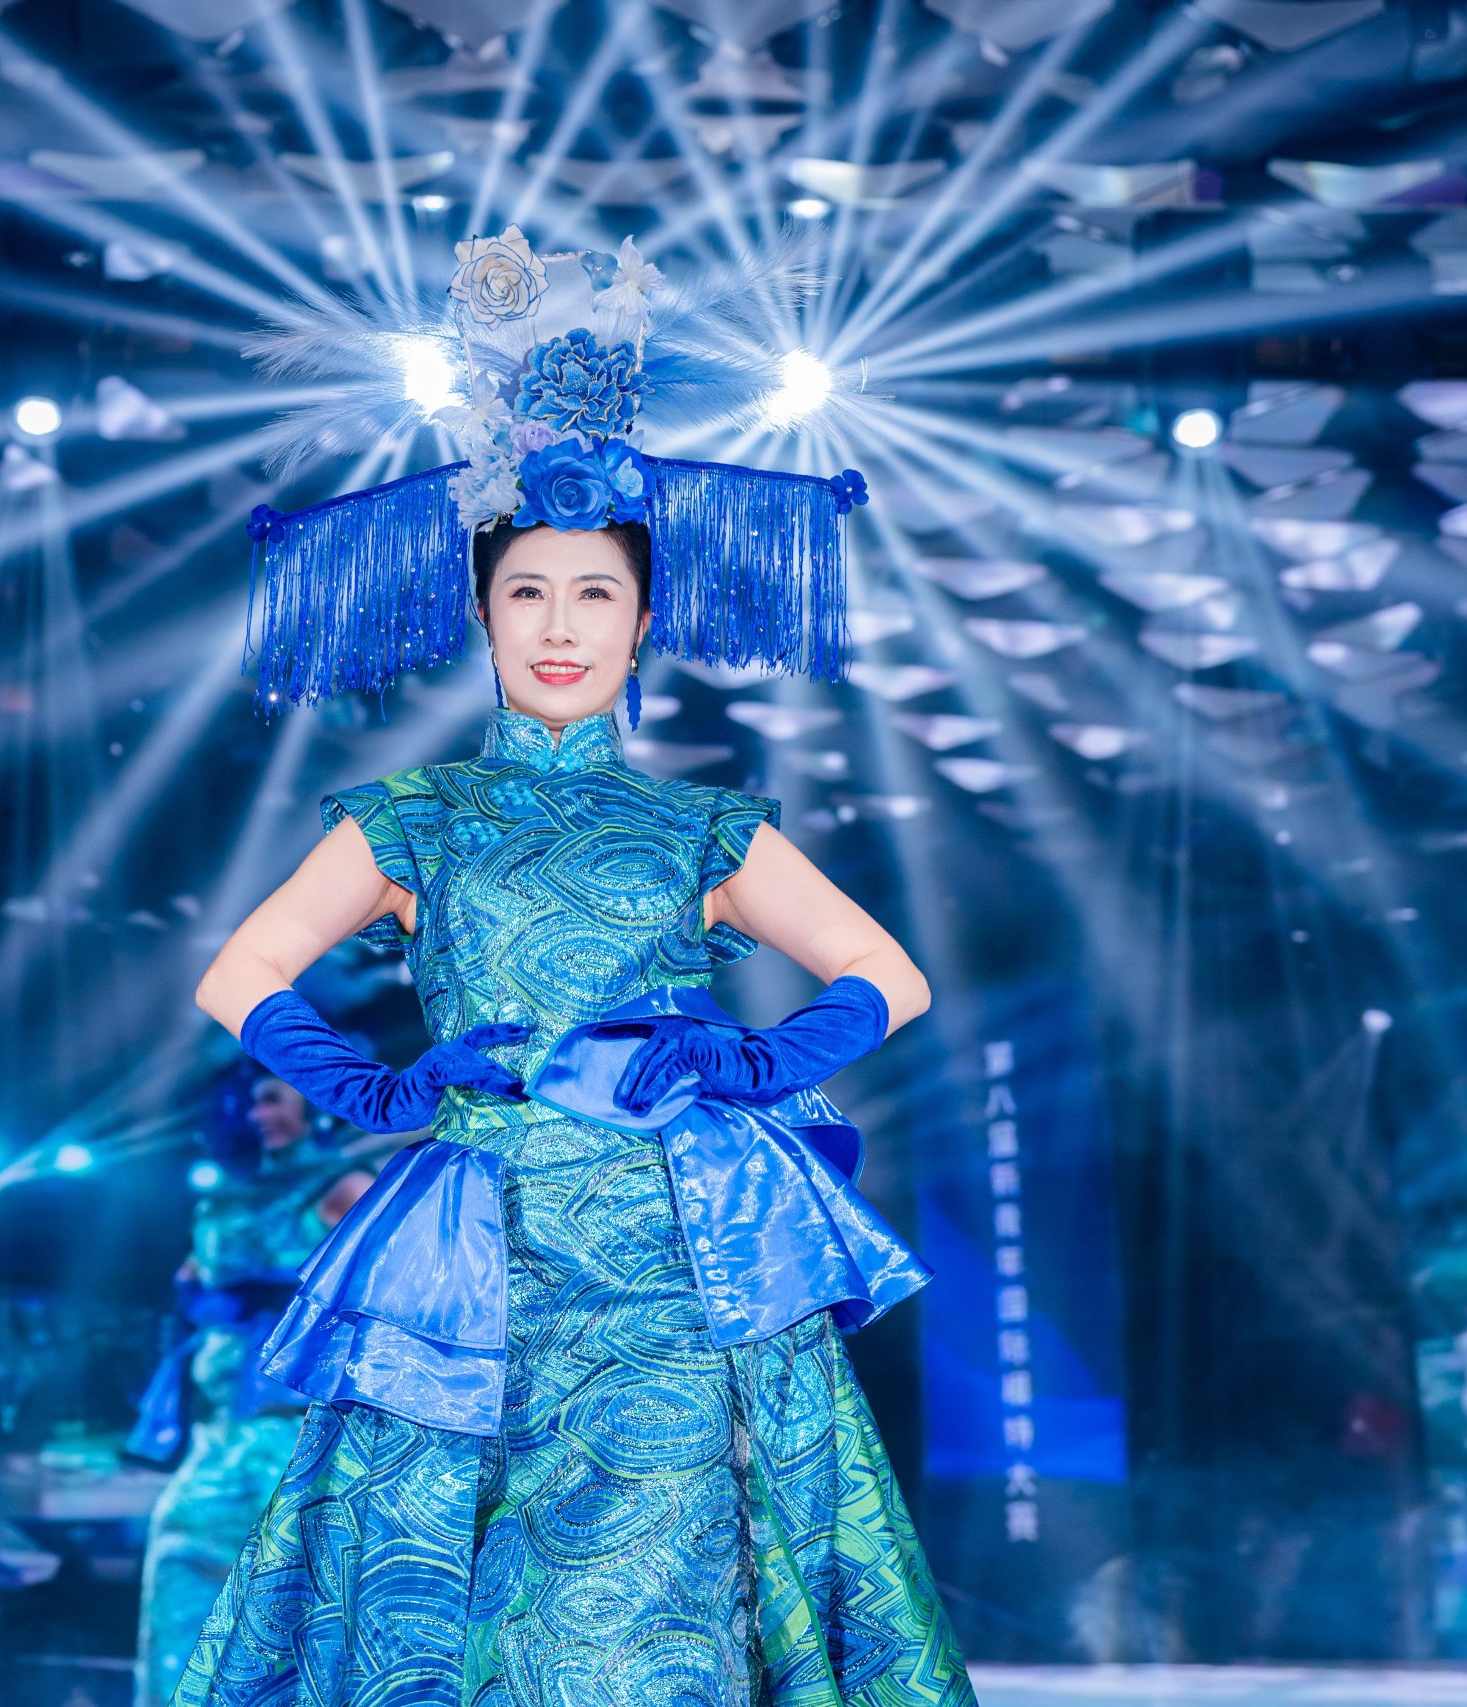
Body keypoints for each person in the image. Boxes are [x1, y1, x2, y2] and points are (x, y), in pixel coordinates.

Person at [173, 228, 976, 1704]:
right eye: (529, 593)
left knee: (651, 1610)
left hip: (681, 1256)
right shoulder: (415, 815)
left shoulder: (699, 826)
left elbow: (889, 973)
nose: (560, 626)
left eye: (595, 594)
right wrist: (377, 1086)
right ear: (481, 611)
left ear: (644, 619)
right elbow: (241, 973)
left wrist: (755, 1057)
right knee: (444, 1591)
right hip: (474, 1257)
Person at [128, 1076, 377, 1707]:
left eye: (273, 1097)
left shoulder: (340, 1182)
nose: (257, 1111)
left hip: (298, 1431)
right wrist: (198, 1298)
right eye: (252, 1099)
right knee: (180, 1565)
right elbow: (192, 1283)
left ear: (313, 1104)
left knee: (296, 1603)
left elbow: (378, 1283)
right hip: (221, 1430)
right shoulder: (223, 1200)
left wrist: (260, 1294)